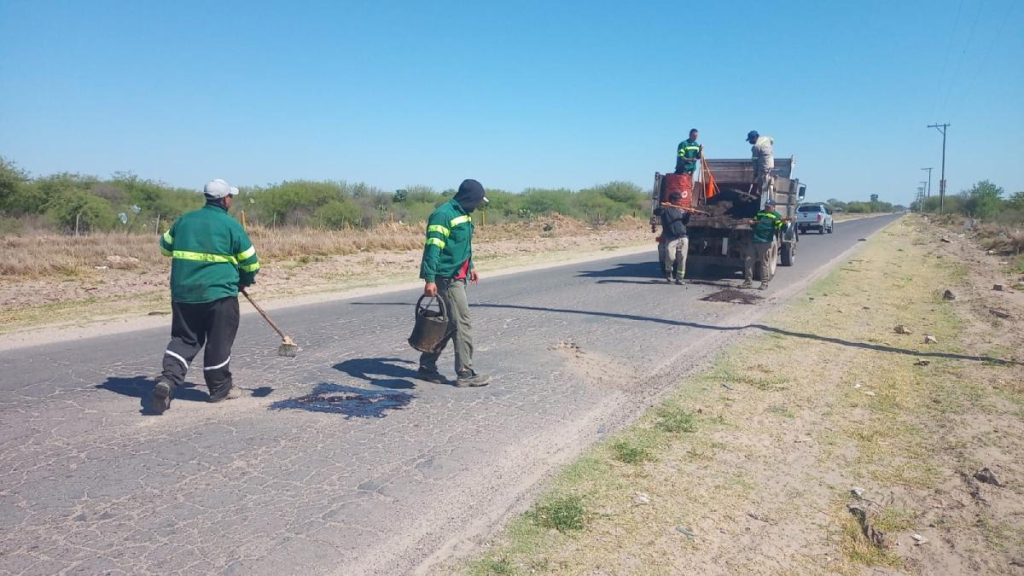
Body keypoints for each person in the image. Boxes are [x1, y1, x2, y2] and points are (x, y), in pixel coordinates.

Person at [149, 179, 261, 414]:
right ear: (224, 200)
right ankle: (219, 388)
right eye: (231, 196)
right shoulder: (230, 226)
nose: (231, 199)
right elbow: (251, 263)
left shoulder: (184, 220)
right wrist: (244, 280)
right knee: (219, 341)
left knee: (185, 339)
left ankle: (168, 381)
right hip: (219, 295)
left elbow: (165, 248)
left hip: (184, 293)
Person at [417, 179, 490, 387]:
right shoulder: (443, 215)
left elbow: (462, 246)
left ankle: (426, 367)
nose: (478, 205)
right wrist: (430, 279)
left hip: (460, 274)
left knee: (449, 324)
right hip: (447, 278)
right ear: (467, 198)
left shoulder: (464, 214)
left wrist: (471, 266)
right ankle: (465, 373)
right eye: (476, 201)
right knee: (463, 323)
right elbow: (433, 249)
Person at [743, 199, 784, 290]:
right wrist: (752, 222)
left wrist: (783, 222)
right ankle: (748, 282)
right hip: (754, 240)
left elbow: (779, 227)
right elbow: (754, 222)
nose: (766, 208)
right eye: (766, 206)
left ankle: (764, 283)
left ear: (773, 207)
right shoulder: (760, 213)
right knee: (748, 261)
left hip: (765, 242)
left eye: (768, 206)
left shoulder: (776, 216)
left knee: (763, 263)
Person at [653, 192, 690, 284]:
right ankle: (668, 272)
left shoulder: (681, 210)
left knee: (682, 258)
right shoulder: (666, 210)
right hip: (671, 238)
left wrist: (689, 214)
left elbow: (685, 222)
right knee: (670, 257)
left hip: (683, 237)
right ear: (673, 200)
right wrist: (664, 207)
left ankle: (679, 278)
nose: (680, 202)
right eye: (679, 201)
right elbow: (656, 212)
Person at [746, 130, 774, 203]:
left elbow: (754, 160)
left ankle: (762, 201)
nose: (750, 142)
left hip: (763, 168)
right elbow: (772, 140)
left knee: (762, 185)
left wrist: (755, 172)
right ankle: (767, 199)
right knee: (769, 183)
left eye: (750, 140)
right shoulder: (766, 139)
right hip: (771, 164)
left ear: (754, 138)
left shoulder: (756, 147)